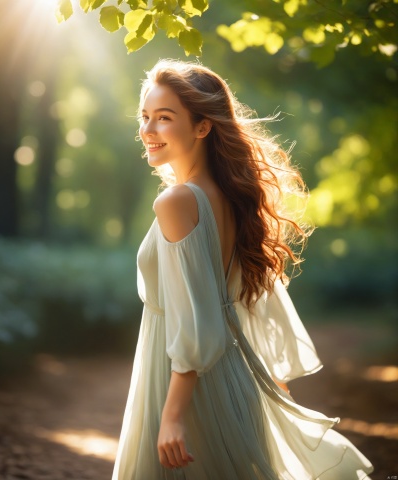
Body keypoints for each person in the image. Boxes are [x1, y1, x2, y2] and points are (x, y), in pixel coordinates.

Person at [112, 59, 373, 479]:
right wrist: (268, 379)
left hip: (187, 386)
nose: (148, 130)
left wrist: (173, 414)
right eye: (145, 117)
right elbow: (236, 301)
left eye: (164, 118)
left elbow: (195, 319)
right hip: (232, 377)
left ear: (202, 126)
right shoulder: (227, 196)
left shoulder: (178, 201)